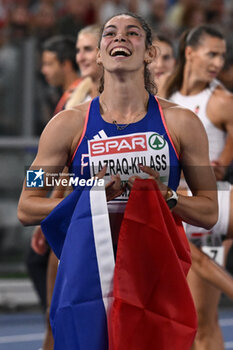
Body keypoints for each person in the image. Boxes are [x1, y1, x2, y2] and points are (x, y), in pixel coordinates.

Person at [18, 13, 218, 349]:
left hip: (153, 274)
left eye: (133, 33)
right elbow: (27, 203)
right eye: (110, 33)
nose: (120, 38)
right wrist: (89, 193)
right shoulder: (65, 125)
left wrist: (165, 194)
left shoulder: (182, 124)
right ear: (99, 54)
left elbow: (209, 210)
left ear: (150, 53)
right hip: (88, 273)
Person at [165, 25, 233, 350]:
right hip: (174, 210)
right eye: (212, 53)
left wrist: (221, 161)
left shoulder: (220, 101)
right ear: (189, 52)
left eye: (222, 55)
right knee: (184, 321)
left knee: (202, 320)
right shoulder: (166, 95)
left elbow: (223, 160)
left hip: (206, 213)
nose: (218, 61)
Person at [30, 34, 81, 350]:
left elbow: (63, 168)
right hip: (66, 204)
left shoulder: (80, 103)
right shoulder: (70, 103)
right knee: (56, 311)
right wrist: (39, 197)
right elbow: (45, 166)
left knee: (60, 312)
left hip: (76, 212)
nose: (84, 57)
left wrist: (48, 202)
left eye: (89, 50)